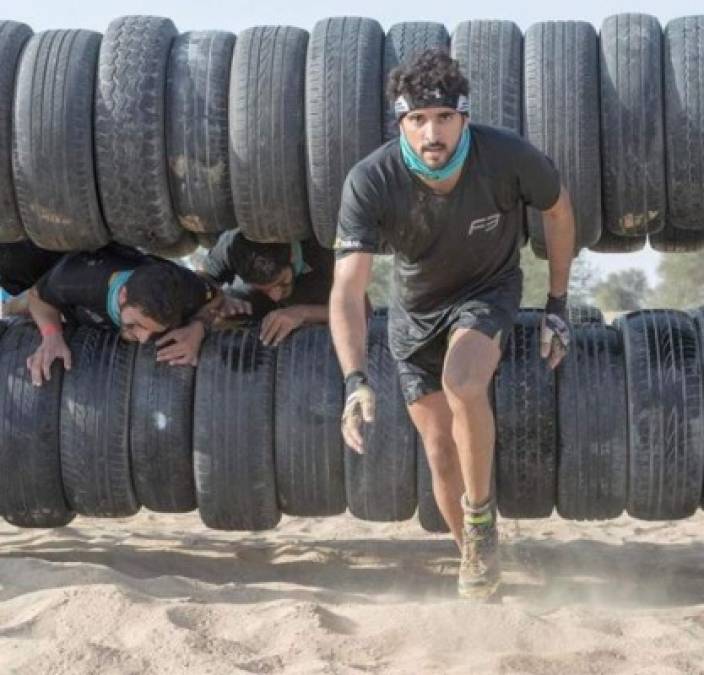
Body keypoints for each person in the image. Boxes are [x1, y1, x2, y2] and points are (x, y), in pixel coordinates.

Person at [330, 49, 575, 600]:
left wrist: (557, 305)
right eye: (417, 119)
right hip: (414, 315)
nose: (431, 132)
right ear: (402, 124)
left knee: (463, 381)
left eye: (443, 117)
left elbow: (558, 211)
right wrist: (353, 379)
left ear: (464, 116)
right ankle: (477, 566)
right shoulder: (370, 180)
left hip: (487, 291)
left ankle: (483, 518)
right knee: (439, 450)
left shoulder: (508, 157)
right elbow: (347, 289)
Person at [25, 243, 232, 386]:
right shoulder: (76, 280)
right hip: (74, 290)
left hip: (149, 271)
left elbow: (217, 295)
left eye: (153, 331)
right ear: (123, 295)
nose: (143, 340)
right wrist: (51, 334)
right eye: (136, 325)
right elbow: (36, 296)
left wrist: (199, 326)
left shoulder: (185, 289)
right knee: (20, 308)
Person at [201, 229, 334, 346]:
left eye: (283, 282)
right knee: (220, 315)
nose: (275, 296)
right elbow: (202, 280)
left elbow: (354, 310)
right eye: (266, 288)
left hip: (327, 301)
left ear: (292, 256)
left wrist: (304, 313)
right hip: (257, 300)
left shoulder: (327, 245)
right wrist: (219, 300)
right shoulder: (231, 247)